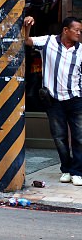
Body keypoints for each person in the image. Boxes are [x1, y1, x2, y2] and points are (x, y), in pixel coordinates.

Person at [23, 15, 82, 185]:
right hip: (53, 99)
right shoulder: (48, 42)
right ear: (65, 30)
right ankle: (66, 168)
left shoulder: (81, 50)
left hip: (76, 99)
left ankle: (77, 171)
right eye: (76, 30)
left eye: (80, 31)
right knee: (59, 137)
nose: (79, 33)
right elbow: (27, 41)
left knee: (79, 137)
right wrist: (27, 25)